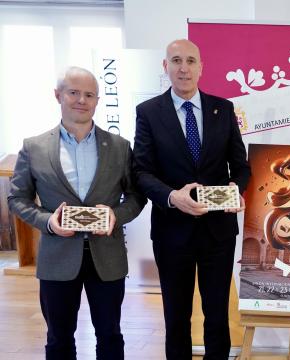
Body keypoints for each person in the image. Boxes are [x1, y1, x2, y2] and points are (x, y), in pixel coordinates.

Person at [8, 66, 146, 359]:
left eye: (89, 94)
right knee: (59, 338)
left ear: (97, 100)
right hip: (57, 258)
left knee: (110, 335)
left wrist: (115, 216)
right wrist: (48, 222)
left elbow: (136, 196)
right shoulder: (34, 147)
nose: (81, 100)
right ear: (58, 95)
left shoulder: (120, 147)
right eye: (73, 92)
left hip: (106, 259)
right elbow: (17, 198)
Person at [133, 39, 250, 359]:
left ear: (201, 67)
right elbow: (141, 172)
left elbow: (241, 167)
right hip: (172, 232)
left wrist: (234, 191)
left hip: (218, 233)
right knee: (176, 317)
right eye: (176, 60)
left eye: (190, 61)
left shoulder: (223, 109)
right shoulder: (148, 113)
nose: (183, 67)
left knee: (217, 317)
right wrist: (172, 197)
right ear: (165, 66)